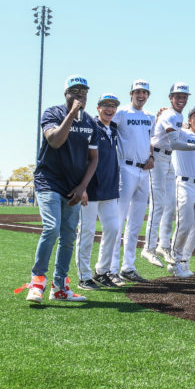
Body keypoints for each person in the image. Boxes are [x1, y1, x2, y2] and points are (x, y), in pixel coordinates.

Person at [18, 75, 98, 304]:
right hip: (49, 180)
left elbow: (93, 159)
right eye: (75, 91)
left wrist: (82, 187)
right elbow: (54, 141)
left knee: (68, 237)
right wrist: (72, 114)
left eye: (83, 91)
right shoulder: (53, 113)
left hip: (73, 186)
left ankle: (60, 286)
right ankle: (37, 282)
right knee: (52, 228)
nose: (80, 95)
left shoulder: (91, 123)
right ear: (66, 94)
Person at [148, 83, 195, 265]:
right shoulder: (184, 133)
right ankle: (169, 254)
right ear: (189, 120)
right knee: (178, 219)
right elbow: (175, 138)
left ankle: (183, 258)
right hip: (182, 181)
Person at [76, 93, 122, 290]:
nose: (109, 109)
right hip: (91, 188)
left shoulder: (113, 129)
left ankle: (101, 271)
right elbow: (81, 157)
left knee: (112, 229)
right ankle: (83, 276)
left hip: (110, 188)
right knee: (86, 232)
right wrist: (82, 186)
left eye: (113, 106)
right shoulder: (91, 126)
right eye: (105, 105)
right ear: (98, 108)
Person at [110, 80, 154, 284]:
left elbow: (150, 141)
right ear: (131, 94)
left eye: (144, 92)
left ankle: (128, 267)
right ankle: (111, 268)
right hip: (125, 168)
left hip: (144, 171)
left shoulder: (149, 116)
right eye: (137, 91)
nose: (141, 95)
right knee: (118, 221)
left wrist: (152, 157)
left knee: (135, 223)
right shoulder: (122, 113)